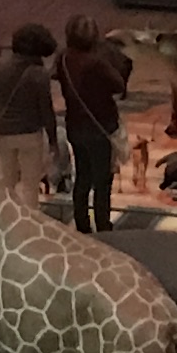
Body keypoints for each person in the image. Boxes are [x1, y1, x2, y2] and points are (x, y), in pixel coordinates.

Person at [57, 14, 132, 235]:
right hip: (100, 126)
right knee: (102, 181)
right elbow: (118, 85)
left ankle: (82, 225)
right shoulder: (96, 62)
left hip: (75, 125)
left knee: (82, 176)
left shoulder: (63, 58)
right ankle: (103, 227)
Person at [0, 24, 61, 202]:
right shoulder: (39, 75)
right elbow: (46, 111)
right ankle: (28, 219)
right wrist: (53, 140)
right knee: (30, 187)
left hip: (3, 134)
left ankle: (6, 216)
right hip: (30, 135)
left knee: (5, 185)